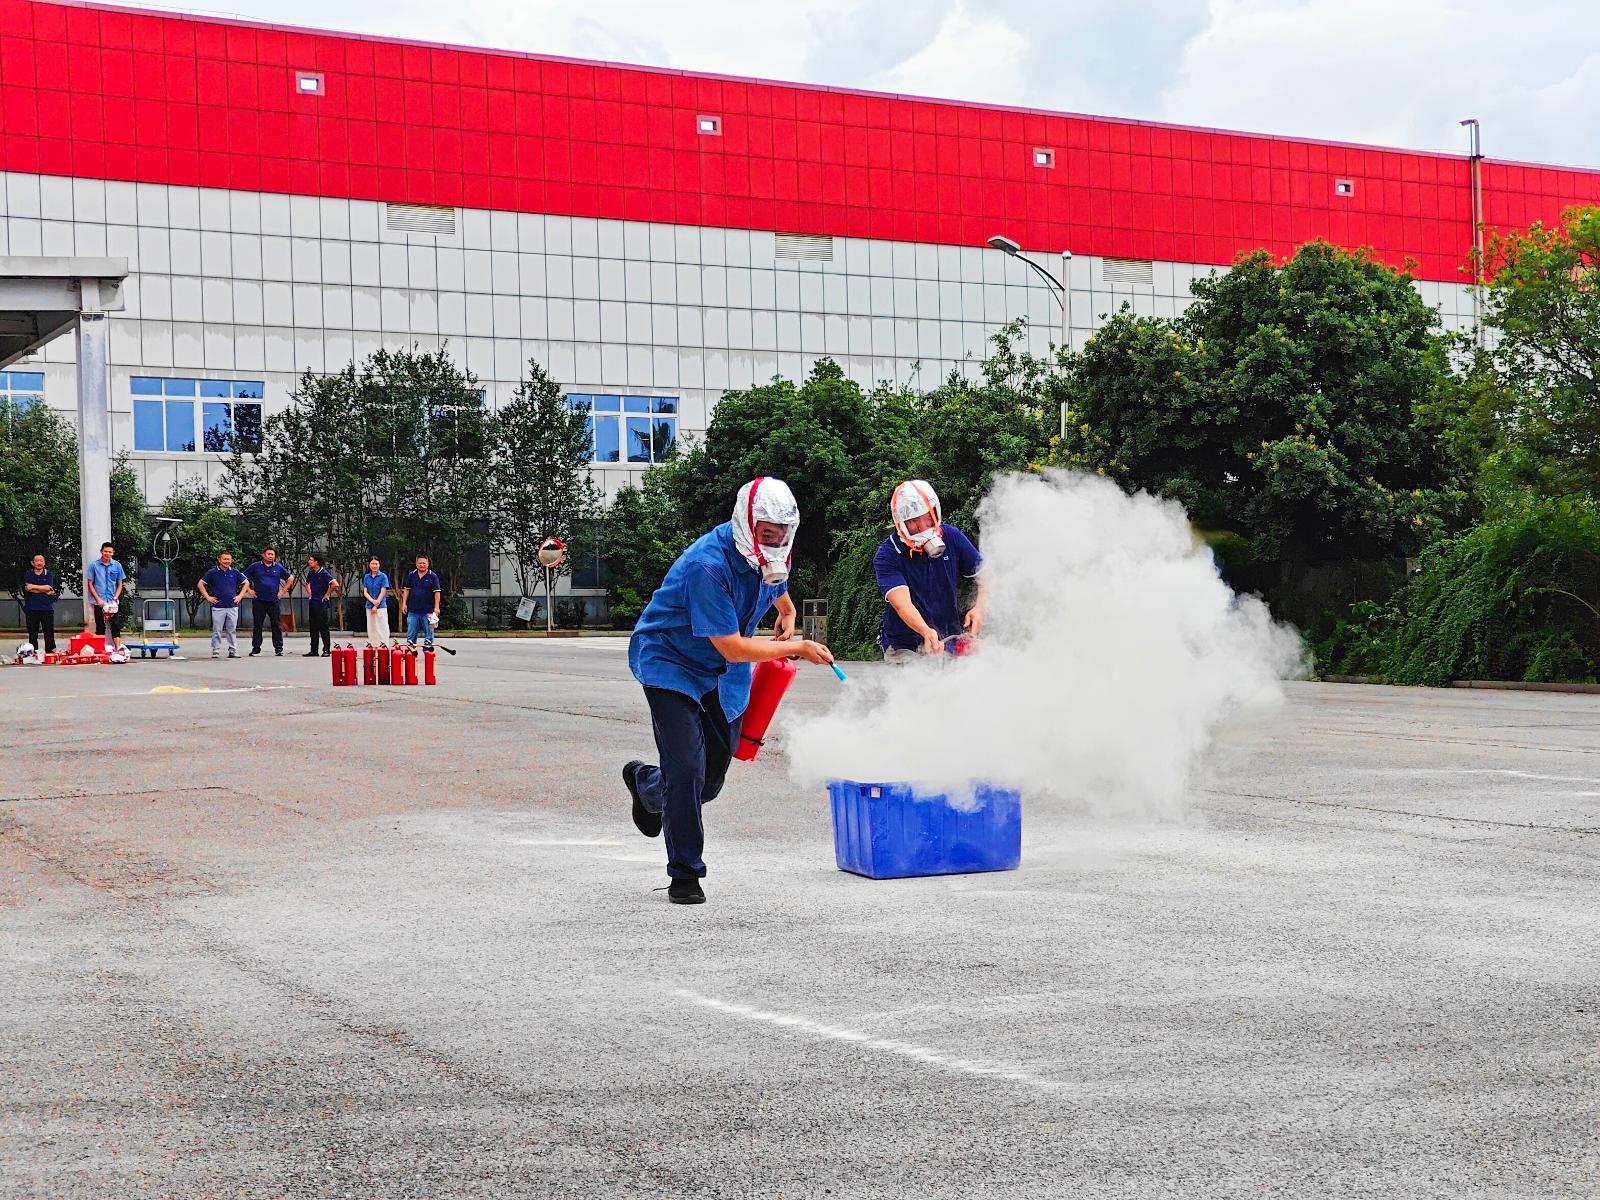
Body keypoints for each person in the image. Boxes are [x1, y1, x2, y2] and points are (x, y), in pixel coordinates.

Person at [621, 477, 833, 905]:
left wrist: (787, 609)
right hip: (671, 662)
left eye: (782, 535)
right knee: (686, 770)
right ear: (746, 524)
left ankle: (646, 784)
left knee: (710, 781)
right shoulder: (709, 565)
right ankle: (685, 874)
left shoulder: (773, 557)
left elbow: (775, 583)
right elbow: (733, 645)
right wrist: (798, 646)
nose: (775, 542)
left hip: (723, 673)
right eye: (767, 534)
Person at [873, 479, 987, 660]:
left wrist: (979, 608)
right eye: (914, 522)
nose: (923, 527)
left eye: (927, 518)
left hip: (949, 639)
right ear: (900, 524)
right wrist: (925, 631)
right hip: (905, 645)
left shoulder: (951, 536)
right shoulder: (887, 555)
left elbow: (986, 575)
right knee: (917, 685)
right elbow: (902, 604)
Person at [242, 546, 292, 657]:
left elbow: (290, 578)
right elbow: (242, 577)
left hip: (274, 601)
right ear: (263, 555)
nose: (271, 556)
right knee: (258, 625)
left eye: (273, 554)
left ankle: (278, 649)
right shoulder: (255, 566)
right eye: (269, 554)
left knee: (276, 625)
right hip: (259, 600)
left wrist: (282, 591)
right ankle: (256, 648)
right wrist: (249, 590)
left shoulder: (278, 567)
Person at [197, 550, 247, 659]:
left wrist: (240, 596)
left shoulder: (234, 572)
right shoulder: (212, 572)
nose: (226, 561)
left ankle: (232, 650)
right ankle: (216, 650)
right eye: (224, 559)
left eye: (228, 559)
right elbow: (200, 584)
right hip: (218, 607)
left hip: (232, 606)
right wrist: (208, 597)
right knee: (217, 629)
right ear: (219, 560)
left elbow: (246, 583)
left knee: (232, 629)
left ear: (231, 560)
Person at [84, 541, 127, 651]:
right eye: (105, 551)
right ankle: (101, 649)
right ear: (101, 552)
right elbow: (90, 583)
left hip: (112, 601)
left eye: (110, 552)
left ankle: (118, 648)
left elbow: (120, 583)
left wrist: (116, 597)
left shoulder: (117, 565)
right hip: (99, 601)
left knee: (115, 625)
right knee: (100, 626)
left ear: (113, 553)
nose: (107, 554)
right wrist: (97, 599)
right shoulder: (94, 566)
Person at [302, 554, 341, 657]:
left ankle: (326, 650)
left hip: (321, 603)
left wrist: (327, 594)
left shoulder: (324, 573)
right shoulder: (311, 573)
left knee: (323, 627)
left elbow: (335, 584)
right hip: (313, 602)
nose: (309, 562)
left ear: (317, 562)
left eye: (311, 560)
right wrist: (310, 593)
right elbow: (306, 583)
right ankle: (314, 650)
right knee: (313, 627)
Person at [400, 555, 441, 648]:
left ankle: (428, 655)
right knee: (411, 636)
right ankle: (411, 656)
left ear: (428, 564)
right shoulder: (411, 575)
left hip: (428, 611)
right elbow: (407, 590)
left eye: (424, 563)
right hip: (413, 610)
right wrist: (404, 603)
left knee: (429, 637)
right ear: (416, 564)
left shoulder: (433, 576)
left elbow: (437, 592)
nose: (422, 565)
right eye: (420, 563)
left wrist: (437, 607)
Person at [22, 553, 58, 656]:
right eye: (37, 560)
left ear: (44, 562)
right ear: (32, 563)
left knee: (49, 632)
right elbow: (28, 588)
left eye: (41, 560)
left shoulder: (48, 574)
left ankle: (50, 652)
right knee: (32, 633)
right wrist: (43, 589)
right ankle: (32, 653)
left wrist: (34, 587)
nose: (39, 562)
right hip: (32, 607)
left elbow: (49, 588)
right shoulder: (28, 574)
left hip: (46, 607)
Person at [362, 557, 391, 645]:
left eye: (376, 564)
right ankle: (374, 647)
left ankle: (384, 647)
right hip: (369, 606)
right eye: (372, 564)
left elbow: (383, 591)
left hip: (381, 606)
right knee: (372, 628)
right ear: (369, 565)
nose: (374, 566)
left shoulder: (383, 576)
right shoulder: (366, 577)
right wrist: (372, 602)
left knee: (382, 628)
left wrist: (376, 604)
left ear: (379, 565)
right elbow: (365, 592)